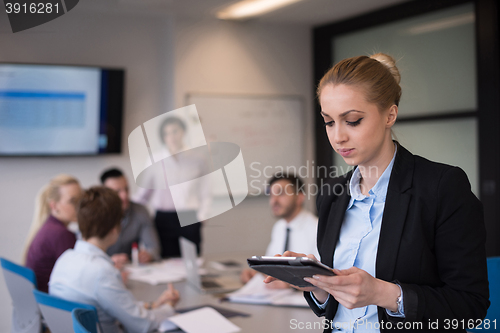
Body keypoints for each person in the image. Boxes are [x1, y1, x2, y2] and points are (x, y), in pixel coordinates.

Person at [264, 54, 489, 332]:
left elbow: (470, 307)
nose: (338, 137)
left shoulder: (442, 186)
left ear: (389, 115)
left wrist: (383, 293)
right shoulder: (332, 194)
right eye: (329, 122)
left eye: (353, 121)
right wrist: (317, 283)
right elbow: (334, 310)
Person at [49, 186, 180, 333]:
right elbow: (143, 325)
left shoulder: (64, 259)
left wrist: (153, 305)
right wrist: (168, 307)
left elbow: (116, 305)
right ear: (115, 228)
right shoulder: (102, 272)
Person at [133, 116, 211, 257]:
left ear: (183, 132)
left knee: (192, 260)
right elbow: (143, 194)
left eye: (175, 131)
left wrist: (202, 216)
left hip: (189, 216)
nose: (172, 137)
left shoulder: (198, 159)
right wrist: (127, 210)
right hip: (164, 218)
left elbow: (206, 192)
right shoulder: (154, 160)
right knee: (165, 259)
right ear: (163, 137)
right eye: (167, 133)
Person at [240, 173, 320, 289]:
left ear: (299, 197)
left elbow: (322, 277)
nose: (274, 200)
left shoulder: (317, 229)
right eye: (271, 195)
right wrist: (257, 274)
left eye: (281, 193)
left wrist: (290, 284)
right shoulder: (279, 227)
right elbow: (272, 269)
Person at [24, 174, 81, 293]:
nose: (80, 206)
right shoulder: (61, 235)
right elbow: (79, 280)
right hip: (55, 304)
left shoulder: (49, 227)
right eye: (73, 201)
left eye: (82, 199)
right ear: (54, 205)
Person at [100, 167, 160, 268]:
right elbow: (87, 254)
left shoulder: (140, 211)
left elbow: (153, 247)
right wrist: (108, 261)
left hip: (129, 269)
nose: (124, 196)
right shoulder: (95, 215)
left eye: (126, 189)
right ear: (105, 194)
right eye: (117, 191)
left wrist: (148, 255)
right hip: (103, 268)